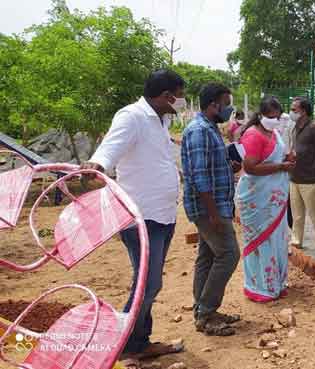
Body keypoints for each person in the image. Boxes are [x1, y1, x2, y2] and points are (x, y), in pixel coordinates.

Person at [82, 69, 187, 367]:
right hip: (141, 219)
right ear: (167, 96)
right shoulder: (132, 117)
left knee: (150, 284)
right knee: (148, 284)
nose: (181, 102)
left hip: (163, 215)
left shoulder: (161, 119)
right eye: (180, 96)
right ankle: (126, 345)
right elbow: (108, 150)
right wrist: (97, 165)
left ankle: (140, 342)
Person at [181, 83, 242, 336]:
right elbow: (199, 176)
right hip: (210, 209)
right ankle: (206, 313)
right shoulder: (199, 131)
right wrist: (214, 214)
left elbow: (211, 167)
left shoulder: (210, 129)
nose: (229, 109)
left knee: (208, 257)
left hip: (216, 205)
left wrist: (231, 167)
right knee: (228, 255)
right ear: (214, 105)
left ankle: (203, 310)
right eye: (226, 103)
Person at [236, 96, 296, 302]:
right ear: (260, 115)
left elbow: (280, 156)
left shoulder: (275, 133)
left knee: (277, 240)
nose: (275, 119)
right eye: (271, 116)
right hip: (257, 197)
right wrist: (280, 166)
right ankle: (260, 286)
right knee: (261, 240)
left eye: (278, 116)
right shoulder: (253, 135)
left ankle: (276, 283)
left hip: (274, 199)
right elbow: (251, 167)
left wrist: (288, 159)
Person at [288, 96, 315, 255]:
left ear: (304, 111)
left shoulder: (314, 128)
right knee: (297, 214)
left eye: (294, 110)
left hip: (310, 179)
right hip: (294, 178)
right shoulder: (294, 128)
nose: (291, 112)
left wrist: (312, 165)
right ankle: (296, 241)